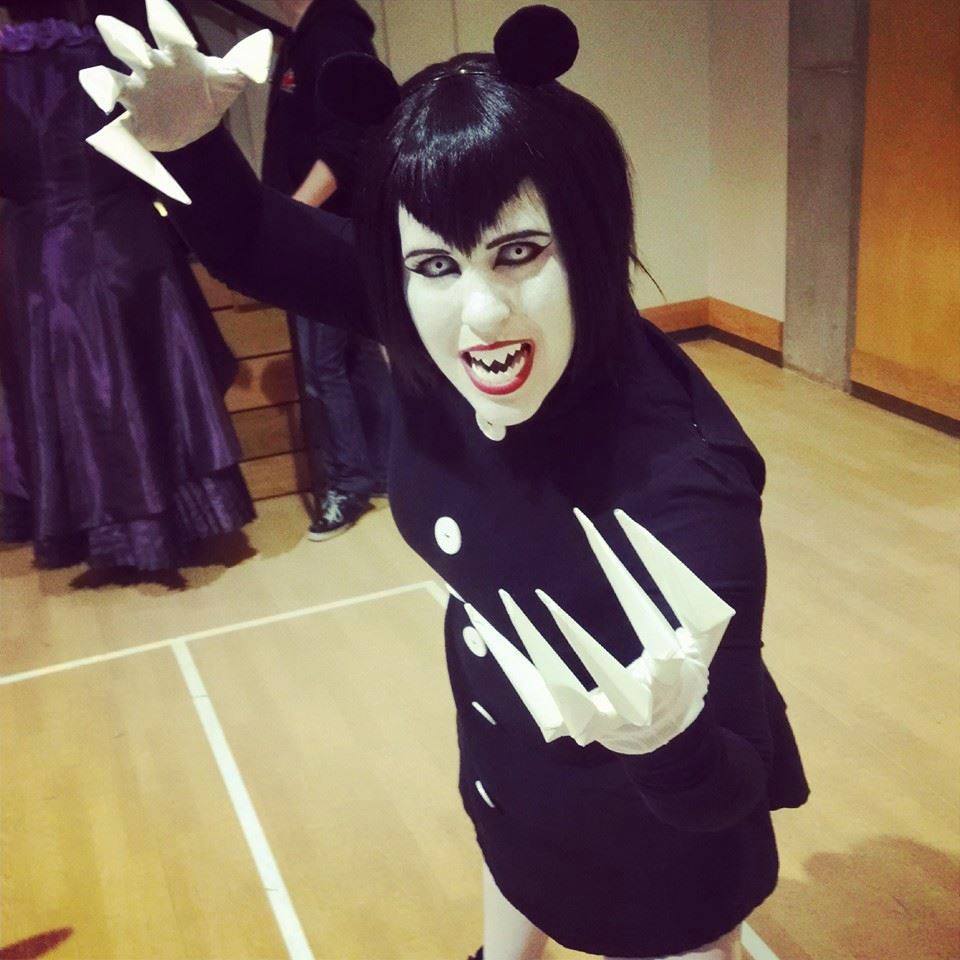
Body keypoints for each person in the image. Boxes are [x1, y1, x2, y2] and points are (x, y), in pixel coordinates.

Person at [83, 3, 809, 956]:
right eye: (434, 262)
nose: (479, 315)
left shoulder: (685, 489)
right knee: (513, 852)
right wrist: (191, 146)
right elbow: (256, 239)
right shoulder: (426, 316)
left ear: (591, 236)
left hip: (657, 828)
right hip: (510, 754)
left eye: (520, 252)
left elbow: (728, 781)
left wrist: (669, 745)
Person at [0, 0, 255, 569]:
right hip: (124, 240)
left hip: (35, 261)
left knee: (63, 391)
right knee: (149, 379)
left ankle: (89, 534)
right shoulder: (113, 54)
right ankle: (171, 524)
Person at [264, 0, 391, 541]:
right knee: (358, 357)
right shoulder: (308, 35)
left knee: (323, 368)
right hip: (339, 229)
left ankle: (348, 483)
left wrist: (291, 218)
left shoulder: (331, 32)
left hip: (325, 231)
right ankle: (386, 471)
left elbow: (350, 138)